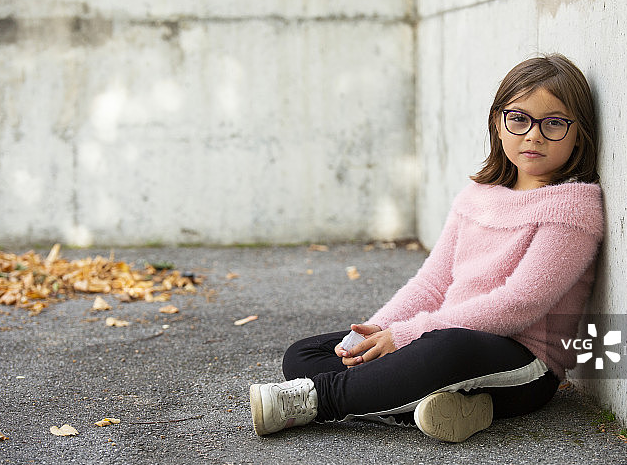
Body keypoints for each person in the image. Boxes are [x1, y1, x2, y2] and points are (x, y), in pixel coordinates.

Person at [249, 53, 604, 442]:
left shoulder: (573, 206)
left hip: (523, 364)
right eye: (518, 119)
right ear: (497, 125)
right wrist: (380, 330)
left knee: (445, 347)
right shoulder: (477, 196)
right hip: (442, 336)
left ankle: (318, 401)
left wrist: (406, 336)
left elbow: (520, 303)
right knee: (307, 355)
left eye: (554, 123)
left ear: (579, 132)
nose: (533, 135)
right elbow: (433, 283)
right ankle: (446, 406)